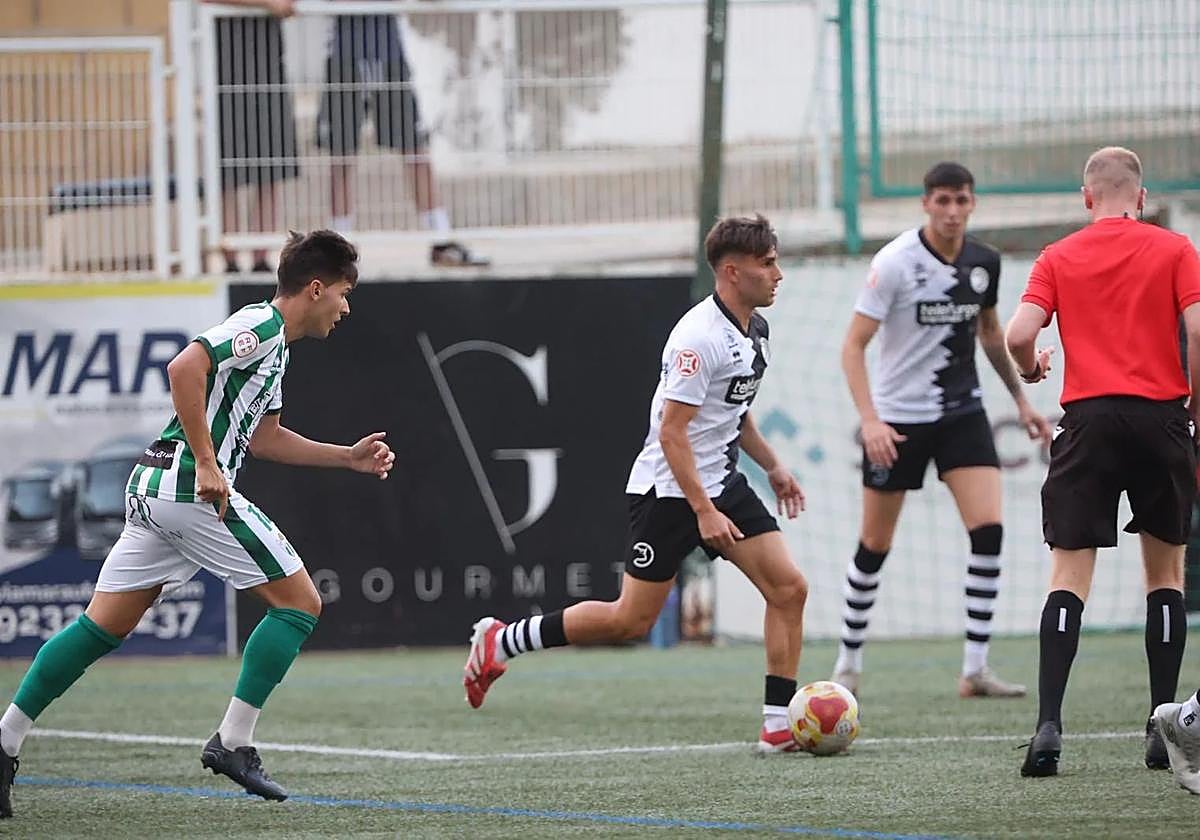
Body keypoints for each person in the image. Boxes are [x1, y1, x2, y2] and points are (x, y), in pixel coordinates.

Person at [0, 231, 395, 817]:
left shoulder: (276, 349)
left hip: (156, 489)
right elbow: (185, 366)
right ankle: (233, 742)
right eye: (342, 292)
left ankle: (3, 742)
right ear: (316, 288)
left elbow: (263, 440)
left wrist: (347, 456)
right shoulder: (260, 324)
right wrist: (209, 465)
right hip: (190, 490)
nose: (345, 306)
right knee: (300, 604)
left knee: (98, 629)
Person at [462, 214, 810, 752]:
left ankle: (777, 727)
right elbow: (673, 434)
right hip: (669, 494)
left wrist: (773, 467)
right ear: (733, 272)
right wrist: (704, 511)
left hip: (721, 482)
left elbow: (733, 413)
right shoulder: (698, 339)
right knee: (630, 621)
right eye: (768, 264)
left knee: (789, 589)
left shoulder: (754, 329)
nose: (778, 274)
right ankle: (501, 640)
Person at [1008, 146, 1200, 778]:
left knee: (1068, 579)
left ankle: (1048, 728)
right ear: (1141, 198)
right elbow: (1198, 329)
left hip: (1086, 423)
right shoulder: (1175, 250)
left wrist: (1033, 367)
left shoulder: (1057, 257)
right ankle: (1160, 728)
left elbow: (1017, 335)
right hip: (1160, 419)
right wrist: (1193, 404)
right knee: (1165, 576)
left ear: (1086, 198)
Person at [831, 162, 1052, 699]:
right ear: (926, 204)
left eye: (962, 201)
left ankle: (975, 668)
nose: (953, 211)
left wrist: (1021, 400)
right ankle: (847, 662)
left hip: (961, 414)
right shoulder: (895, 264)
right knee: (874, 544)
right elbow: (853, 346)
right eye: (943, 201)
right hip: (897, 422)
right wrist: (870, 420)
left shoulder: (984, 263)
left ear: (973, 204)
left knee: (988, 530)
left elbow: (991, 333)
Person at [316, 4, 487, 267]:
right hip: (344, 52)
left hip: (388, 50)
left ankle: (441, 238)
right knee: (342, 153)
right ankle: (341, 244)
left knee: (415, 146)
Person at [206, 0, 301, 274]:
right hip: (227, 66)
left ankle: (261, 255)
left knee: (269, 168)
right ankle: (230, 256)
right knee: (228, 170)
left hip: (267, 63)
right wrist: (269, 3)